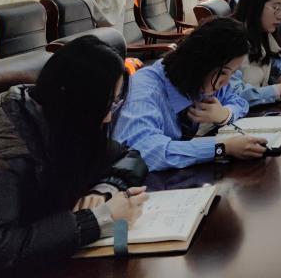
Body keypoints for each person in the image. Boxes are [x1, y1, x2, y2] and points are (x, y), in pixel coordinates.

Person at [0, 36, 148, 274]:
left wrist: (104, 189)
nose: (109, 117)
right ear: (81, 100)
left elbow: (128, 156)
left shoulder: (58, 115)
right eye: (107, 104)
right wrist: (97, 219)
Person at [114, 18, 268, 171]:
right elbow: (146, 153)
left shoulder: (202, 80)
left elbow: (238, 100)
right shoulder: (144, 91)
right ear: (200, 63)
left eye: (232, 73)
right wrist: (222, 147)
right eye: (224, 73)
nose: (226, 82)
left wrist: (225, 115)